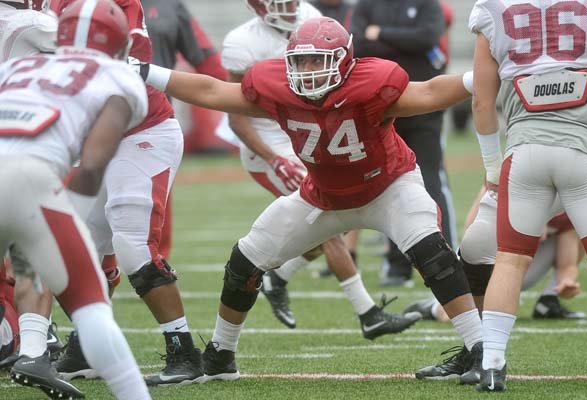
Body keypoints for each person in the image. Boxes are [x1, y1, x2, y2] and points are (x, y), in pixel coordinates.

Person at [134, 16, 483, 382]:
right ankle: (220, 355)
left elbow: (429, 93)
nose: (309, 70)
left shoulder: (372, 81)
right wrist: (145, 71)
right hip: (323, 196)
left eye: (318, 60)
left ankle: (480, 350)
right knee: (244, 261)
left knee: (434, 256)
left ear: (344, 59)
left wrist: (480, 78)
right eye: (301, 61)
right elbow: (211, 92)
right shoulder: (278, 87)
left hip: (389, 186)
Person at [222, 0, 418, 338]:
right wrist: (273, 158)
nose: (289, 6)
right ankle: (368, 313)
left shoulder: (312, 18)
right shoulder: (241, 43)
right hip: (274, 145)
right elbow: (237, 116)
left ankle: (277, 277)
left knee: (326, 226)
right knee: (328, 224)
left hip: (313, 140)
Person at [0, 1, 151, 399]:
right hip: (29, 179)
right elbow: (92, 165)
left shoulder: (15, 65)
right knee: (90, 304)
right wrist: (65, 229)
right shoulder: (117, 74)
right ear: (120, 43)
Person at [51, 0, 203, 387]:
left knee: (134, 245)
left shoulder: (121, 4)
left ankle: (184, 352)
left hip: (142, 133)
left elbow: (126, 55)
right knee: (83, 248)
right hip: (96, 136)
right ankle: (86, 344)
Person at [469, 0, 587, 391]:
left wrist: (492, 167)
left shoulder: (492, 9)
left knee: (509, 261)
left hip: (523, 154)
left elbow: (481, 100)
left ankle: (492, 364)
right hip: (583, 152)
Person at [412, 197, 585, 382]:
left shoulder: (570, 195)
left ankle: (548, 299)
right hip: (492, 256)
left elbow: (568, 261)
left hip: (521, 265)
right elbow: (473, 236)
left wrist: (566, 281)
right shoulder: (507, 178)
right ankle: (434, 308)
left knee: (584, 229)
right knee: (473, 253)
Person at [350, 0, 458, 287]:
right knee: (385, 185)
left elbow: (427, 37)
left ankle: (444, 258)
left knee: (431, 181)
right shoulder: (366, 5)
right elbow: (358, 45)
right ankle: (398, 265)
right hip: (381, 109)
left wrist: (381, 34)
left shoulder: (426, 3)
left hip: (424, 108)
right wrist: (402, 43)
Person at [0, 1, 73, 391]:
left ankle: (30, 344)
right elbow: (96, 54)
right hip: (17, 148)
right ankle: (33, 349)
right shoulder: (30, 22)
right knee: (36, 254)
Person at [141, 0, 228, 260]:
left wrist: (249, 85)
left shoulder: (169, 6)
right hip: (96, 118)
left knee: (156, 200)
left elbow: (210, 64)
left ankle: (155, 265)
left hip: (154, 122)